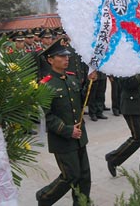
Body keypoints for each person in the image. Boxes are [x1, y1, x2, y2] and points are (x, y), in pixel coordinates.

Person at [36, 37, 94, 206]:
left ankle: (82, 203)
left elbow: (82, 102)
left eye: (67, 55)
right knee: (71, 176)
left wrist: (91, 82)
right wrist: (68, 130)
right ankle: (45, 197)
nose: (66, 58)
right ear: (50, 60)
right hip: (62, 139)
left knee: (84, 175)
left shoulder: (71, 78)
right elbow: (46, 116)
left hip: (79, 137)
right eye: (61, 56)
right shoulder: (45, 85)